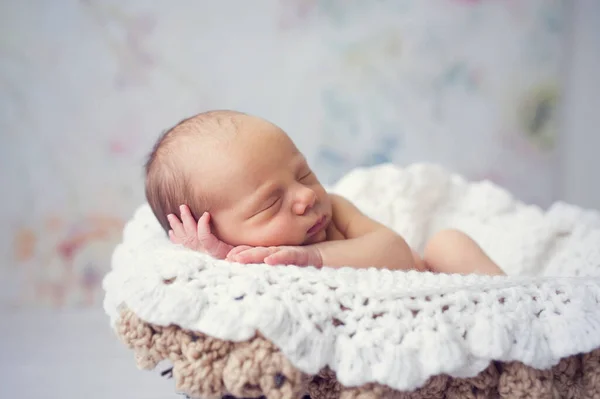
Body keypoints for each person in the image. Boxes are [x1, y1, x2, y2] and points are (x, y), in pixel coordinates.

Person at [144, 110, 504, 275]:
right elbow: (238, 272)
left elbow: (395, 253)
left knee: (448, 243)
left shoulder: (337, 212)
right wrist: (214, 254)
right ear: (218, 232)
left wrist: (314, 258)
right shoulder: (249, 260)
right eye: (271, 203)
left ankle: (510, 308)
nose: (305, 197)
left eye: (304, 173)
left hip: (428, 282)